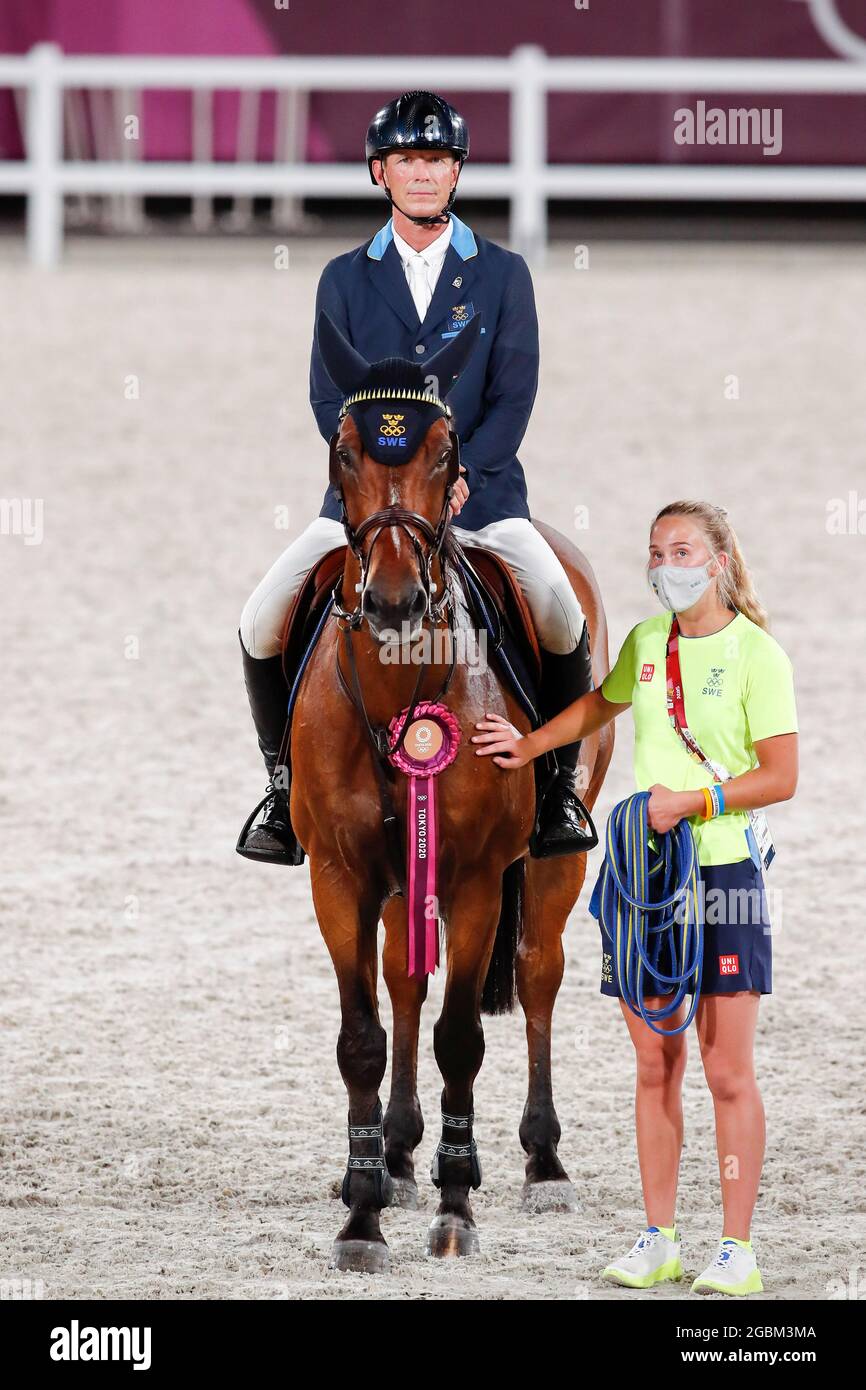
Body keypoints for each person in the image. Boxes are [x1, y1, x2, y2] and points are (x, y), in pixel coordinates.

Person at [237, 90, 593, 864]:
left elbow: (514, 391)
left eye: (436, 160)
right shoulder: (343, 279)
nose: (423, 174)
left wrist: (465, 476)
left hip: (482, 496)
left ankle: (558, 788)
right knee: (261, 616)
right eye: (408, 160)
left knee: (562, 612)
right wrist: (379, 485)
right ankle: (278, 782)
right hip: (365, 505)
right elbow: (329, 398)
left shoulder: (501, 274)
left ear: (456, 171)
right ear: (381, 171)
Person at [472, 500, 799, 1296]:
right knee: (655, 1061)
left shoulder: (759, 656)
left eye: (681, 550)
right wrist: (533, 743)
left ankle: (738, 1248)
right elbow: (600, 704)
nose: (665, 566)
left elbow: (781, 777)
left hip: (724, 878)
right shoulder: (648, 644)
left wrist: (696, 803)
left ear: (718, 561)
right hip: (645, 876)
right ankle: (659, 1239)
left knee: (727, 1070)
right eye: (655, 552)